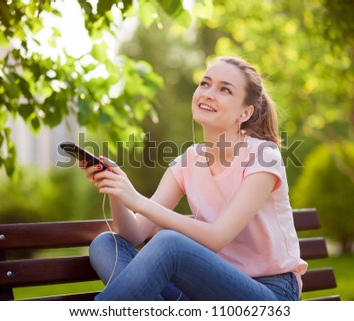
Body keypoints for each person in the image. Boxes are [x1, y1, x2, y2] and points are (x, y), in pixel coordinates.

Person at [85, 56, 307, 301]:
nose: (209, 93)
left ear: (245, 112)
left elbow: (217, 237)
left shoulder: (263, 155)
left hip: (270, 293)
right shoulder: (187, 161)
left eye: (225, 89)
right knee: (107, 244)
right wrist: (116, 188)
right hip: (207, 294)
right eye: (205, 84)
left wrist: (138, 201)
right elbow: (135, 233)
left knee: (169, 243)